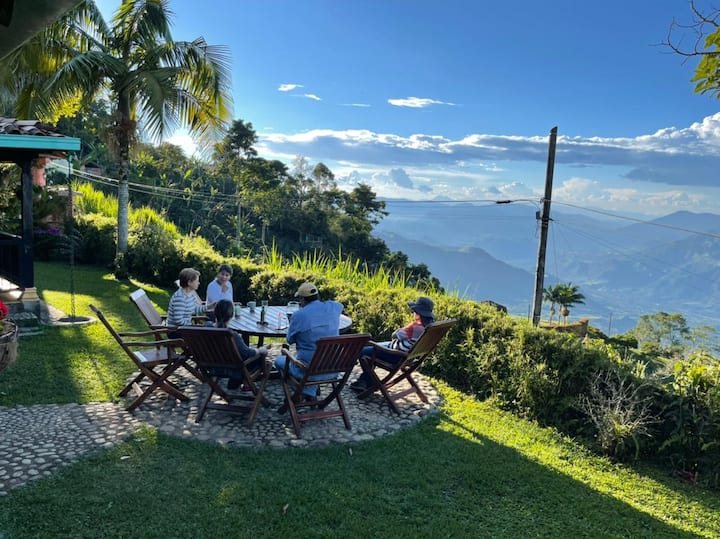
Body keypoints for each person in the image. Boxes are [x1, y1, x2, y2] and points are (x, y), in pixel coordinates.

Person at [274, 281, 344, 413]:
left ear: (302, 299)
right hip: (333, 368)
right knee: (311, 365)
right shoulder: (332, 307)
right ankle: (309, 391)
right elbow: (340, 305)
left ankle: (302, 393)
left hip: (307, 369)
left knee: (279, 361)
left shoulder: (299, 315)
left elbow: (289, 340)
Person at [349, 296, 436, 392]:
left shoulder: (414, 327)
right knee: (371, 347)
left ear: (418, 314)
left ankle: (369, 381)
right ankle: (364, 381)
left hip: (394, 356)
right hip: (409, 357)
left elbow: (395, 335)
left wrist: (402, 329)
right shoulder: (430, 328)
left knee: (362, 351)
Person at [205, 299, 268, 389]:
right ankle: (244, 381)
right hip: (234, 369)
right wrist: (260, 350)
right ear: (232, 315)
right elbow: (247, 353)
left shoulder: (207, 327)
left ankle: (242, 382)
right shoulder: (231, 335)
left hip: (212, 367)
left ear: (215, 313)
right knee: (262, 360)